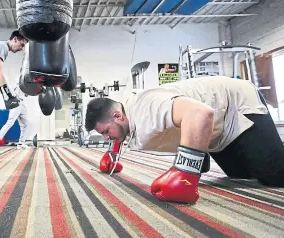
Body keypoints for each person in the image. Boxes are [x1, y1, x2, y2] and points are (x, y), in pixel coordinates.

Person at [85, 76, 284, 204]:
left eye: (105, 132)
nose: (106, 138)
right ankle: (201, 157)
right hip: (218, 130)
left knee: (274, 177)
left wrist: (185, 171)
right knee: (239, 174)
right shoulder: (124, 116)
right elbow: (120, 132)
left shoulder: (146, 108)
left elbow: (200, 112)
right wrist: (111, 154)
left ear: (118, 116)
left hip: (237, 105)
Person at [0, 74, 34, 149]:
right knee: (10, 123)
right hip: (16, 104)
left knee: (25, 124)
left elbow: (26, 94)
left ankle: (21, 143)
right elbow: (20, 83)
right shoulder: (20, 79)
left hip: (22, 104)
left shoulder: (27, 84)